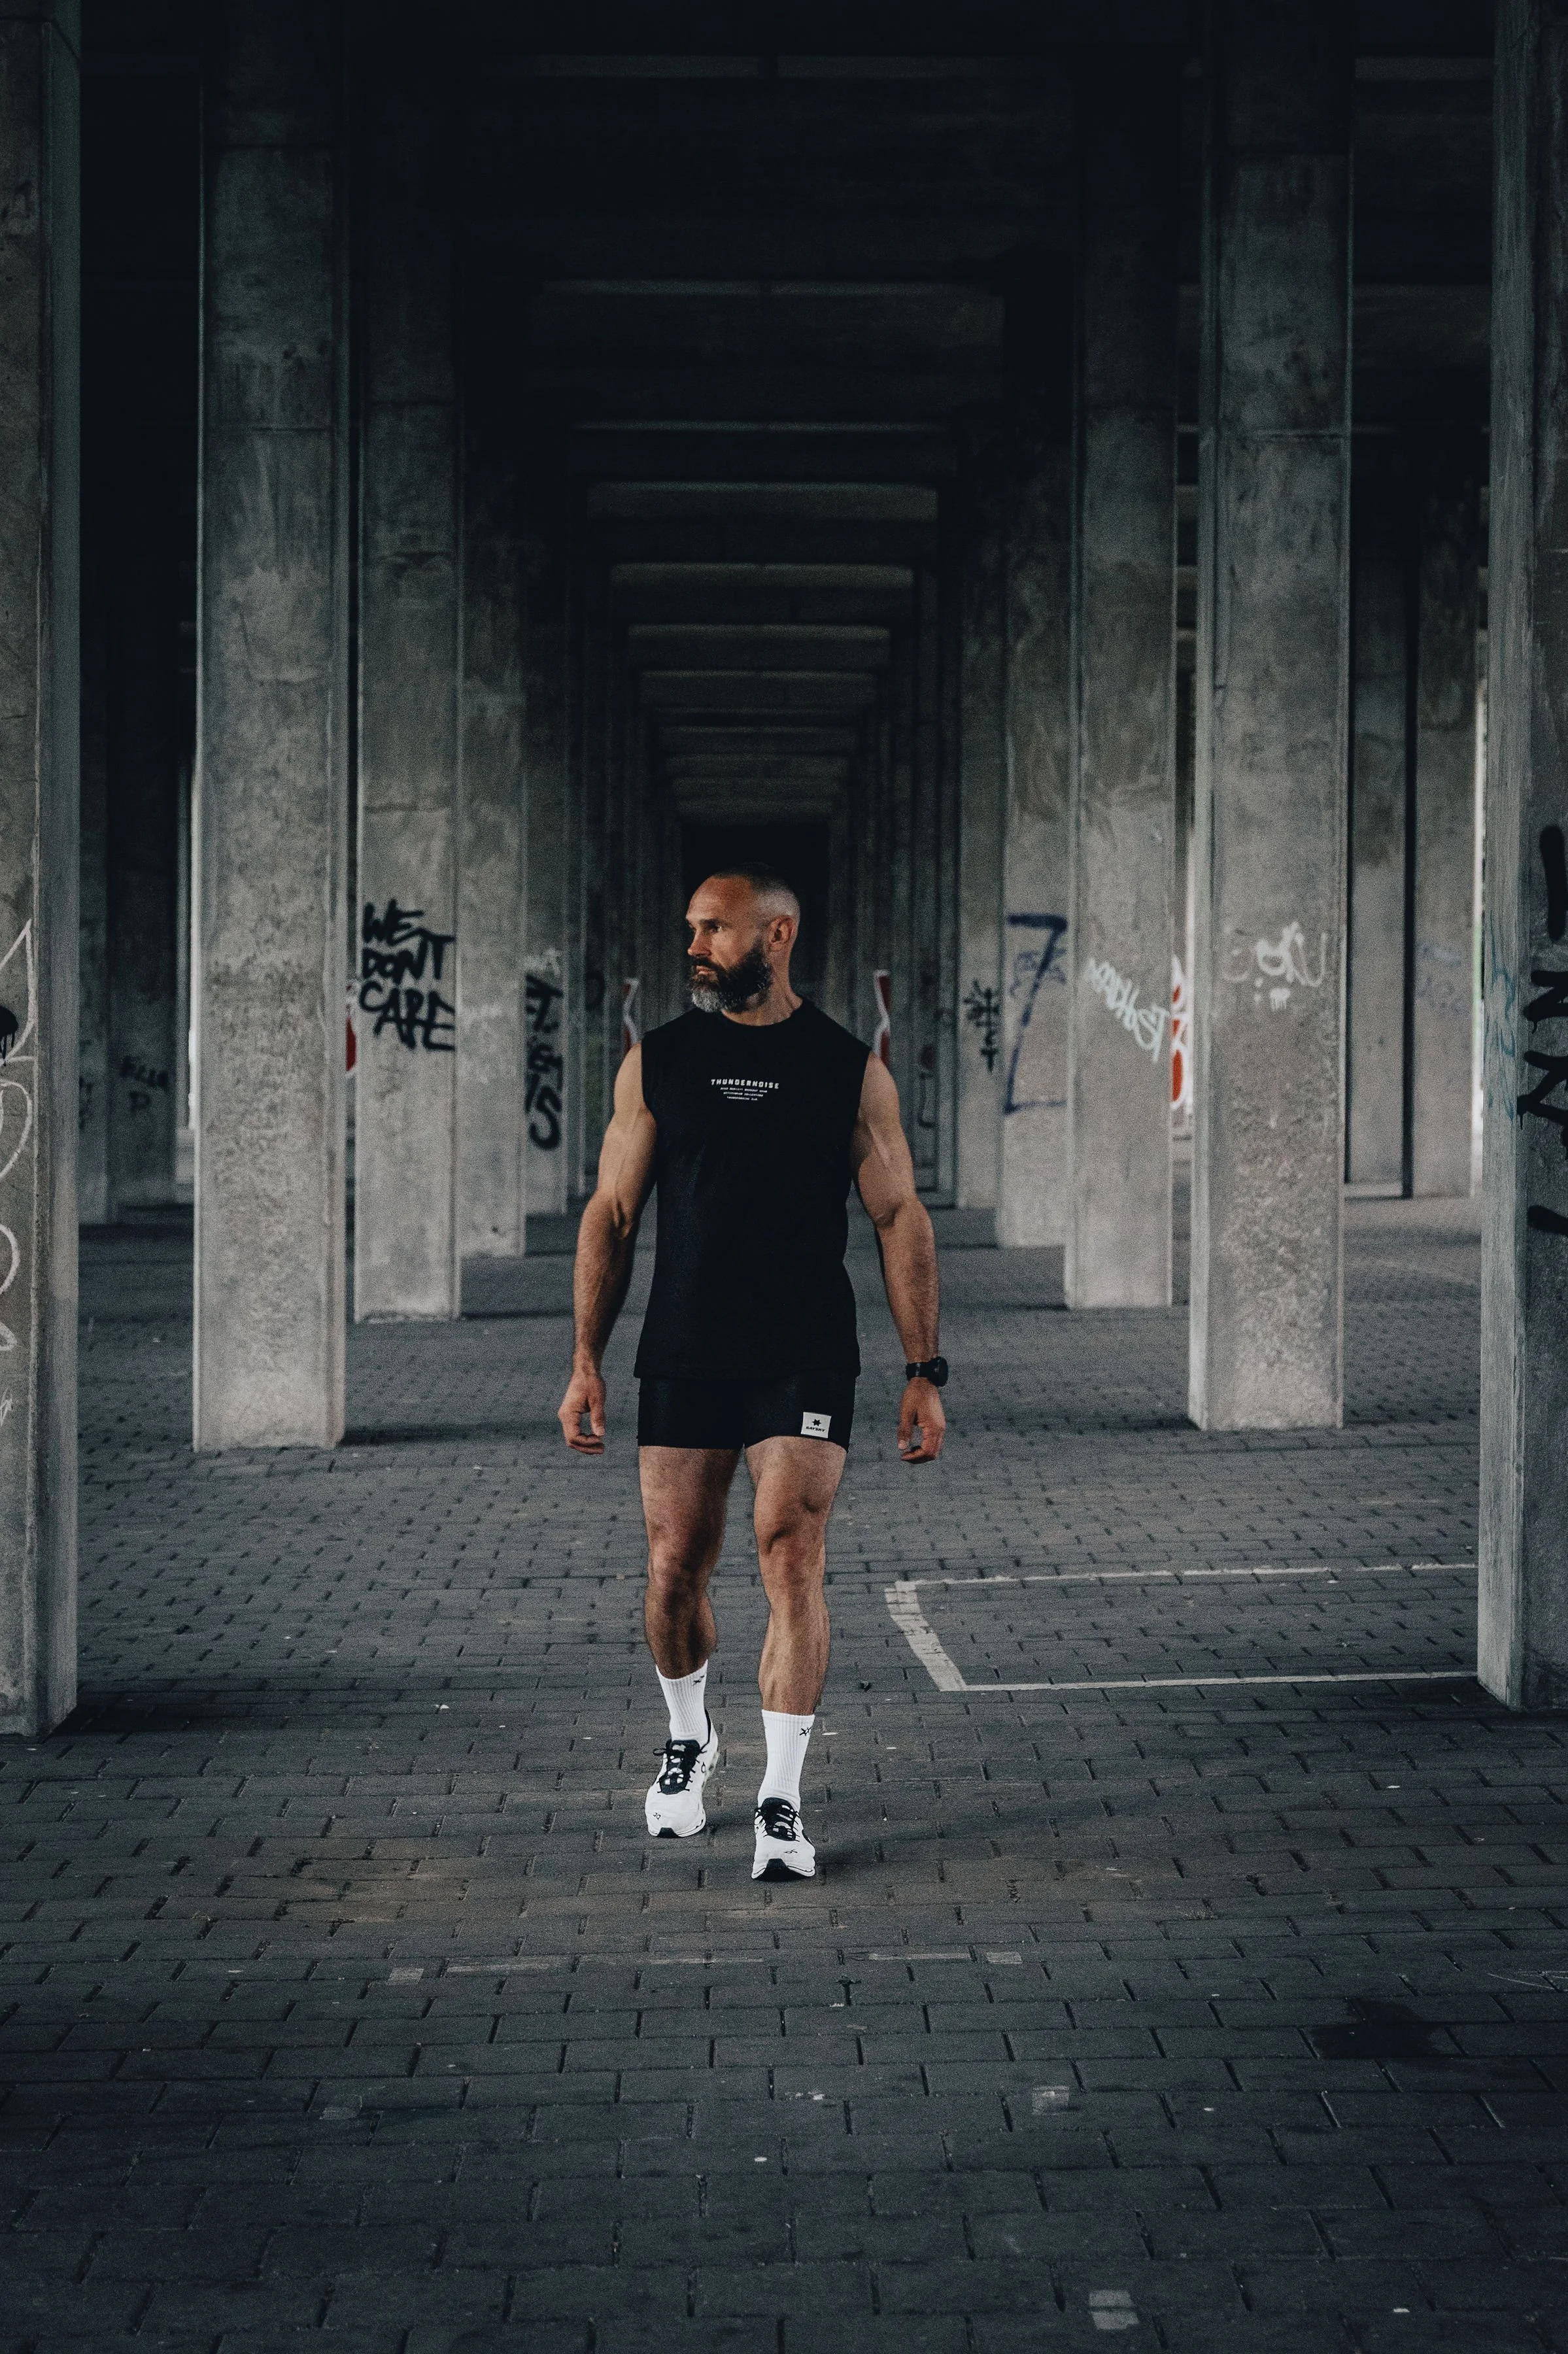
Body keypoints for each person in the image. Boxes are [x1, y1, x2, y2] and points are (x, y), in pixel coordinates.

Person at [556, 866, 947, 1883]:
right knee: (673, 1565)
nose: (695, 944)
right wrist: (585, 1359)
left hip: (804, 1346)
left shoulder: (846, 1069)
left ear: (775, 937)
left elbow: (898, 1215)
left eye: (714, 929)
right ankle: (688, 1737)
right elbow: (611, 1214)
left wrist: (923, 1367)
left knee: (790, 1551)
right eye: (691, 926)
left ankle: (780, 1798)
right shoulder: (660, 1064)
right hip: (686, 1347)